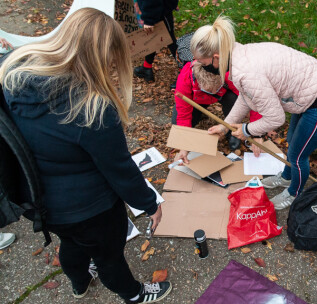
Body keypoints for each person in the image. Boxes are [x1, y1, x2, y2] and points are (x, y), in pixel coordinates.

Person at [0, 8, 171, 303]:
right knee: (109, 256)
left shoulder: (13, 72)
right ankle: (133, 293)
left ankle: (79, 283)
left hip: (42, 203)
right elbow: (120, 170)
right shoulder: (92, 109)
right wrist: (149, 204)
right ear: (104, 58)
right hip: (91, 208)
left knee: (71, 244)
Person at [196, 16, 317, 210]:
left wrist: (246, 130)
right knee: (293, 141)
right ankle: (286, 177)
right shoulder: (238, 55)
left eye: (202, 61)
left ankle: (294, 194)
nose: (200, 65)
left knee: (298, 155)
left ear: (216, 57)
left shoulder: (246, 72)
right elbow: (247, 96)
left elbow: (276, 118)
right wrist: (226, 126)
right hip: (307, 93)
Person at [173, 33, 262, 161]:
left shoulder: (229, 75)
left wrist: (256, 132)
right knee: (177, 121)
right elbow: (183, 114)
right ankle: (198, 115)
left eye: (216, 88)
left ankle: (233, 131)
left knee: (234, 100)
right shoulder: (184, 80)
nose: (212, 91)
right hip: (197, 100)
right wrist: (184, 145)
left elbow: (252, 99)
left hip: (224, 95)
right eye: (209, 90)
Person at [133, 0, 179, 82]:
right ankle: (147, 67)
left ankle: (186, 73)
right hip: (158, 8)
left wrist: (149, 19)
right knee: (153, 37)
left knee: (170, 39)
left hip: (159, 10)